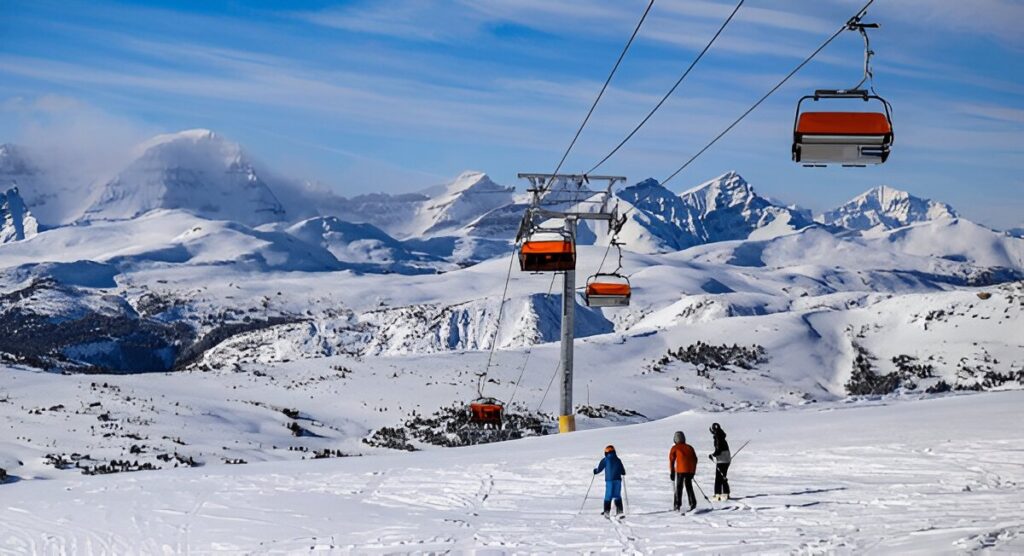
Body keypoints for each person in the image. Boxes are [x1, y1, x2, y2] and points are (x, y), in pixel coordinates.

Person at [593, 445, 626, 517]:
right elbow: (622, 469)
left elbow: (599, 469)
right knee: (617, 495)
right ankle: (620, 511)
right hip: (618, 480)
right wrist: (623, 472)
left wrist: (595, 471)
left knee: (608, 495)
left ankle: (606, 511)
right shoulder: (618, 459)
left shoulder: (605, 460)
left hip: (609, 480)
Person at [669, 431, 697, 512]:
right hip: (689, 470)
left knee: (679, 487)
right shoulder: (689, 447)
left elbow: (671, 461)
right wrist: (693, 471)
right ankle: (692, 503)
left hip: (680, 470)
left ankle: (677, 504)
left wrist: (672, 472)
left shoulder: (675, 448)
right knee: (689, 486)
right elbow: (695, 459)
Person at [709, 422, 731, 501]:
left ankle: (717, 494)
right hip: (727, 459)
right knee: (723, 476)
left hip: (721, 460)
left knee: (718, 477)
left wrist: (713, 455)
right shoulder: (722, 436)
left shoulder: (717, 437)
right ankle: (726, 492)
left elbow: (718, 450)